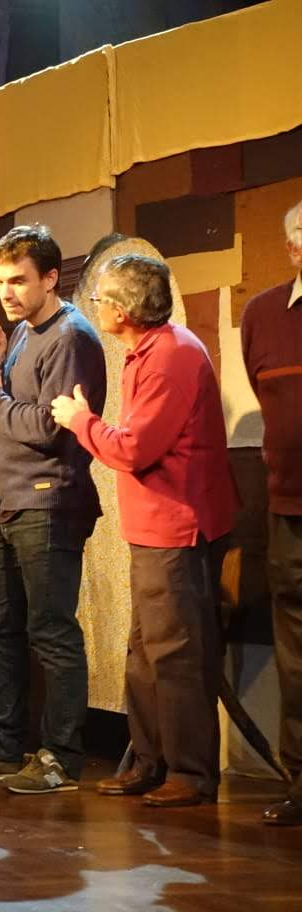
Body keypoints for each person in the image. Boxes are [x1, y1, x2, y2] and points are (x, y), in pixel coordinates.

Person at [53, 253, 238, 808]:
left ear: (123, 310)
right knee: (144, 652)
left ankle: (190, 771)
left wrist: (80, 421)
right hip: (154, 527)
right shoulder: (150, 351)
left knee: (175, 654)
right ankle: (149, 760)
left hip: (176, 527)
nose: (97, 308)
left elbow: (134, 449)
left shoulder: (170, 358)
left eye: (101, 300)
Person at [0, 225, 106, 795]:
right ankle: (4, 744)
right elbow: (8, 406)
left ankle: (61, 756)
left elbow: (47, 427)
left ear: (51, 277)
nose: (6, 292)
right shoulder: (21, 332)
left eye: (18, 280)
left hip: (49, 500)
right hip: (9, 501)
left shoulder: (71, 337)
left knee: (51, 631)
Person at [241, 199, 302, 826]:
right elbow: (270, 400)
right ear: (292, 249)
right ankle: (301, 784)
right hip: (287, 509)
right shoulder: (262, 314)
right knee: (296, 656)